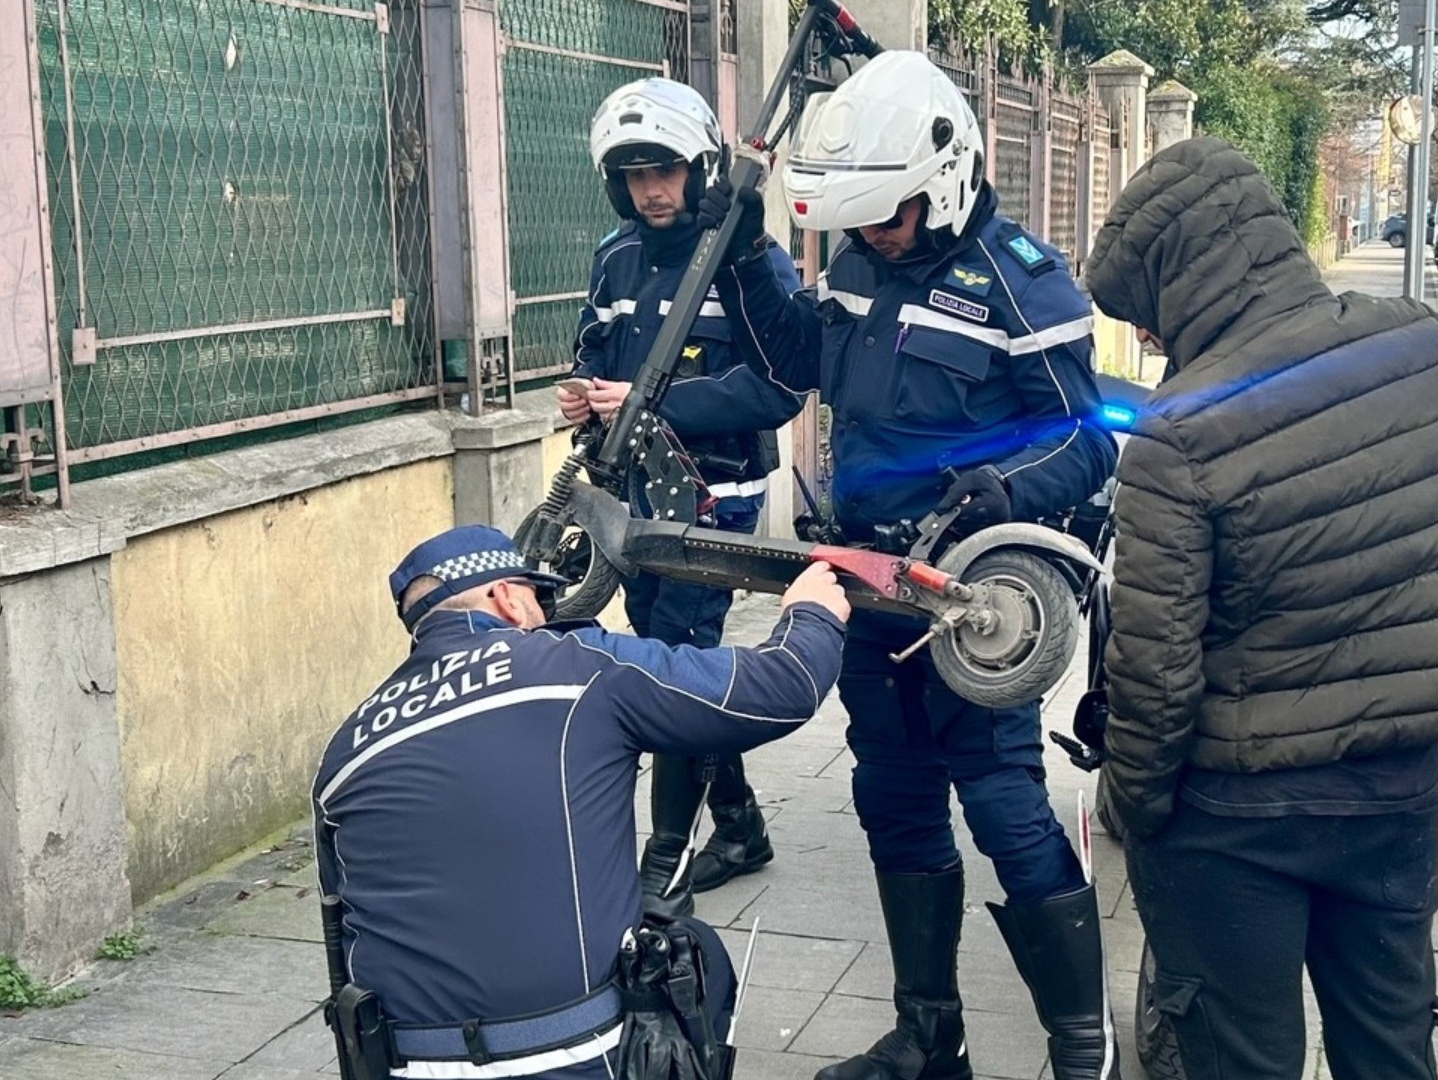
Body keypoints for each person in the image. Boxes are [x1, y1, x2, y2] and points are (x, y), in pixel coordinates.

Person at [1083, 138, 1438, 1080]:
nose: (1150, 342)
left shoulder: (1178, 434)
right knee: (1392, 1050)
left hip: (1233, 817)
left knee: (1238, 1060)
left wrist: (1135, 805)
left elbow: (1155, 673)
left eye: (1146, 316)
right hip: (1396, 793)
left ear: (1183, 280)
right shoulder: (1429, 347)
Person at [705, 50, 1121, 1080]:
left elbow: (1088, 439)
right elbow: (796, 361)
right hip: (867, 586)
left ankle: (1083, 1049)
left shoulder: (1026, 283)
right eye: (857, 222)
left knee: (1005, 808)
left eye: (885, 217)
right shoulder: (858, 266)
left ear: (944, 181)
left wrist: (1006, 488)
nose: (871, 236)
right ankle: (930, 1037)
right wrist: (743, 254)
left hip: (971, 600)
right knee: (891, 799)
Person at [312, 524, 850, 1080]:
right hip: (575, 1055)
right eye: (539, 597)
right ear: (507, 597)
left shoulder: (343, 751)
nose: (544, 613)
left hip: (406, 1064)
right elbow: (783, 686)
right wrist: (811, 612)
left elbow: (342, 936)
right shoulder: (575, 665)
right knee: (697, 953)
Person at [559, 77, 809, 921]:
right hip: (631, 492)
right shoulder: (614, 255)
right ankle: (739, 825)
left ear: (697, 168)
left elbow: (777, 389)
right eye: (634, 175)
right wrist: (585, 391)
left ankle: (661, 864)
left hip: (714, 497)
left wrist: (652, 401)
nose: (651, 190)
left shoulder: (747, 258)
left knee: (675, 659)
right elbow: (594, 345)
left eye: (664, 170)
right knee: (667, 649)